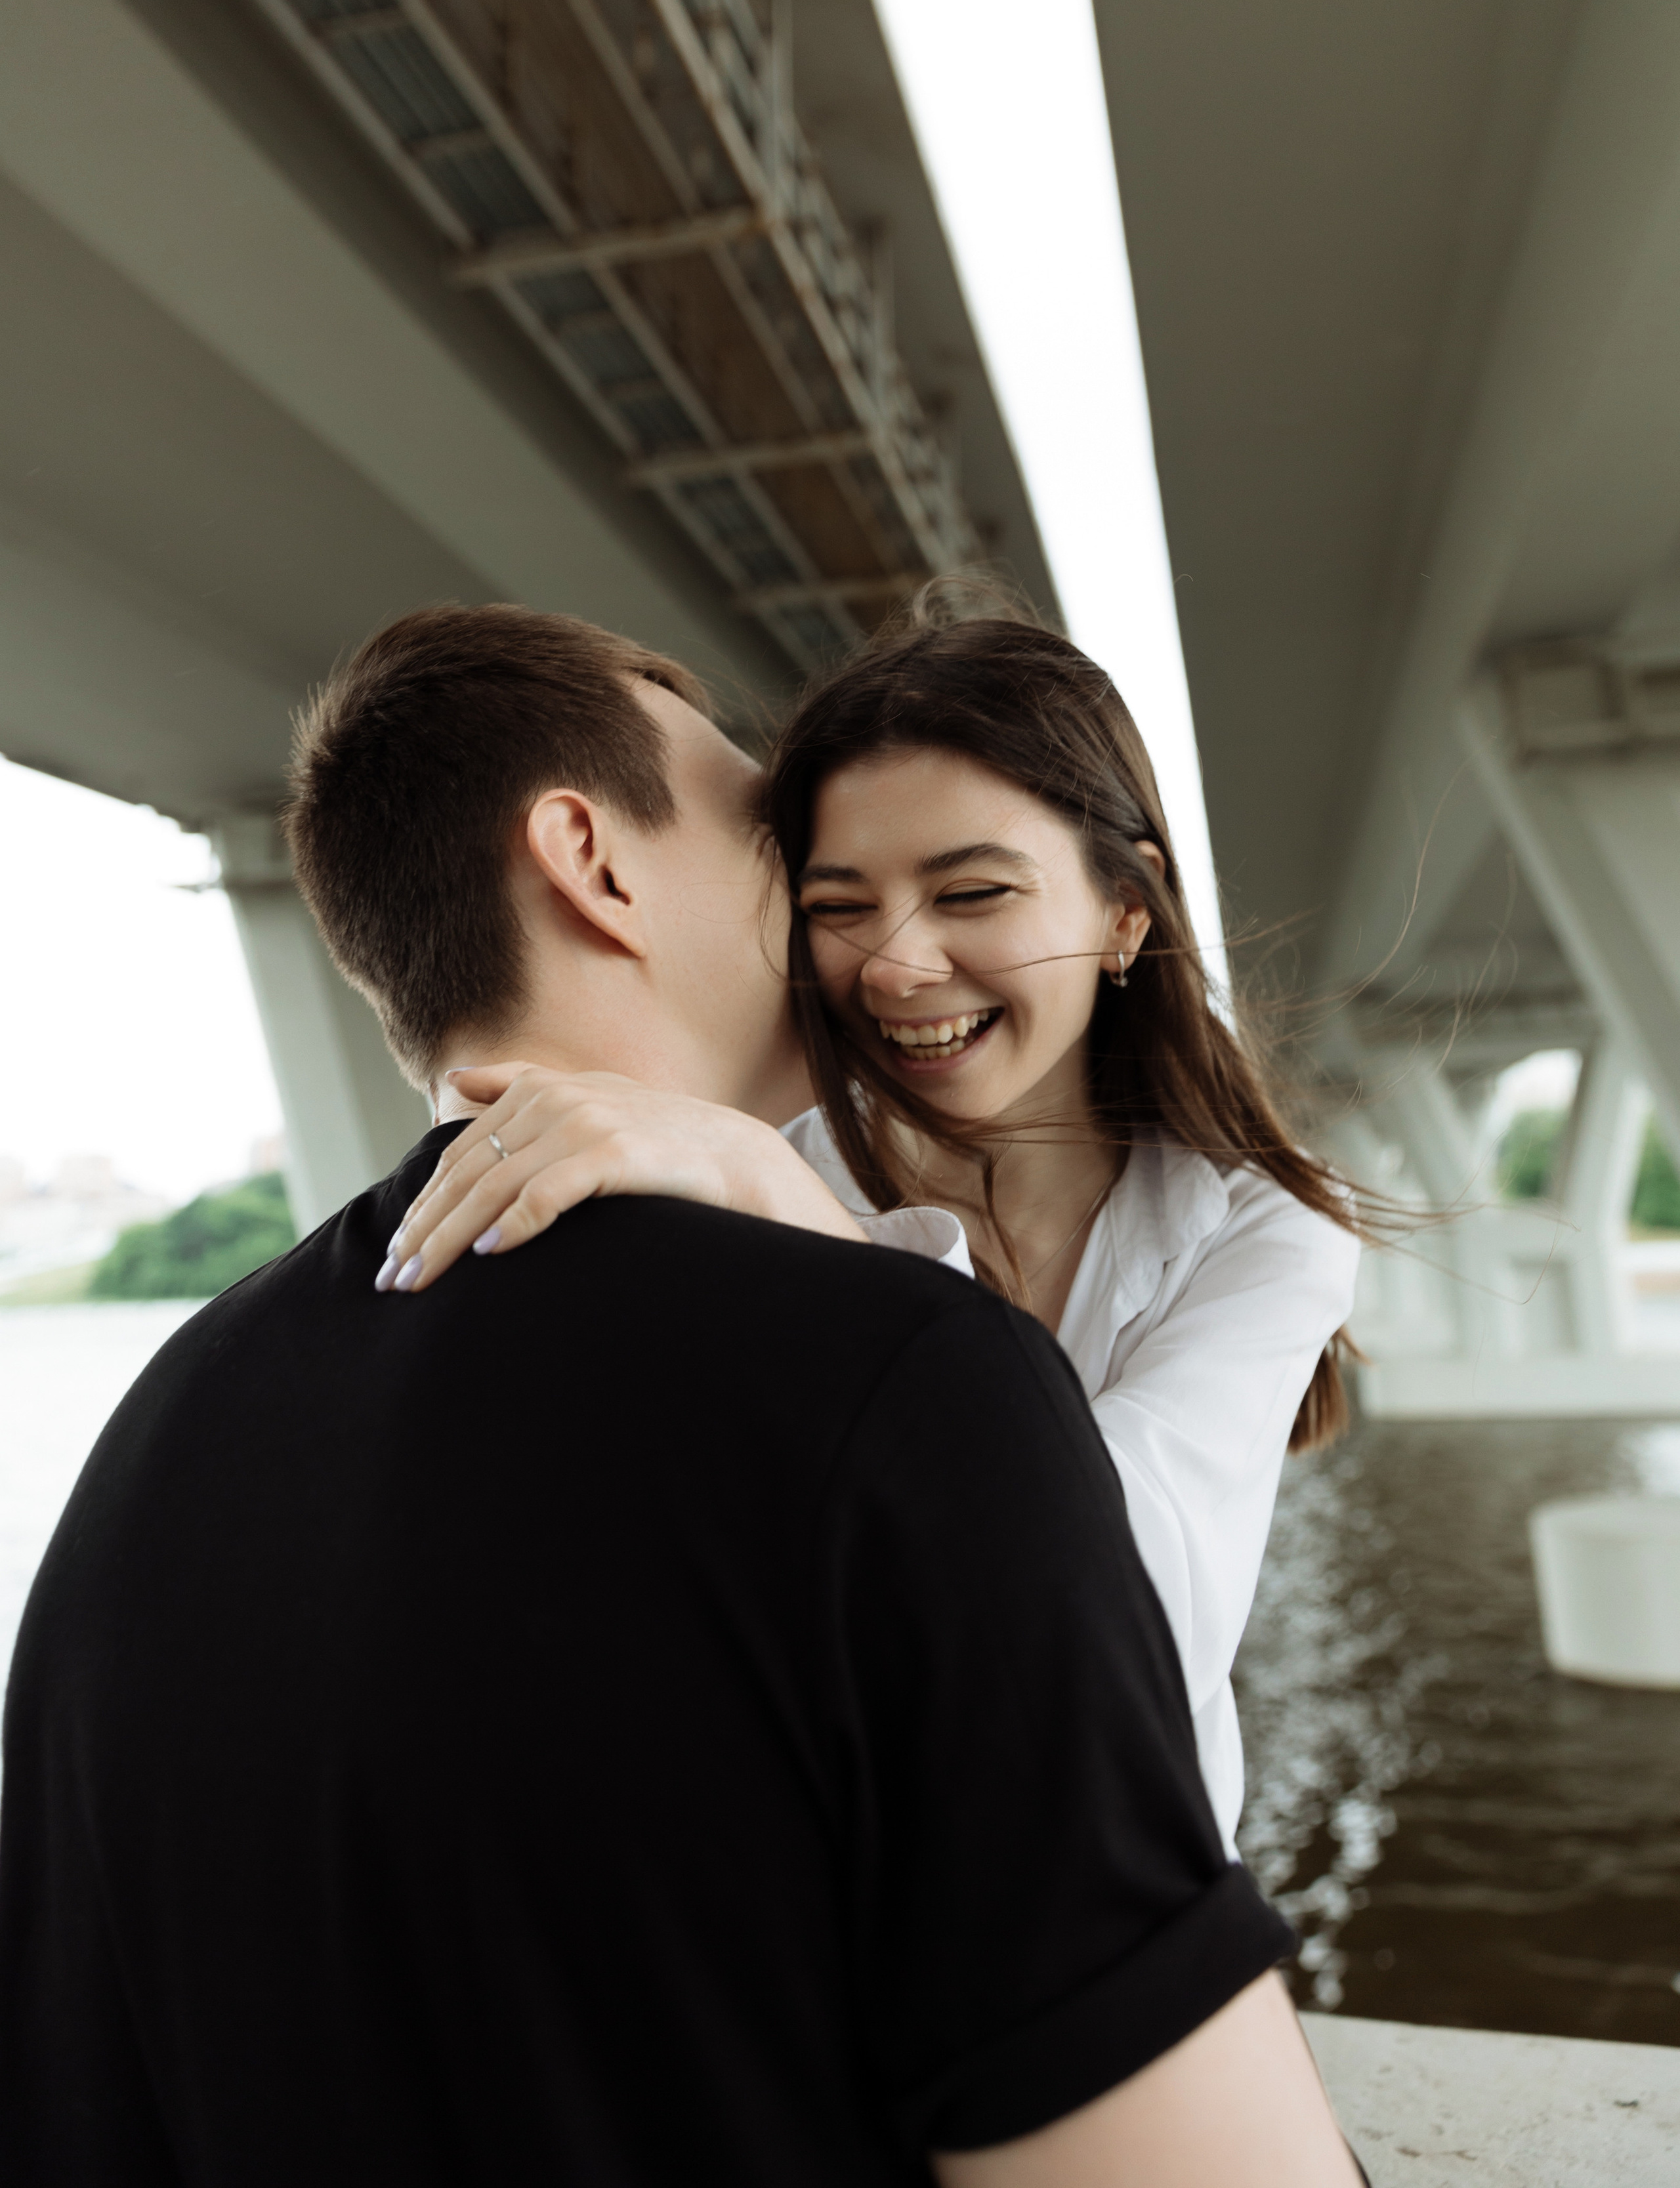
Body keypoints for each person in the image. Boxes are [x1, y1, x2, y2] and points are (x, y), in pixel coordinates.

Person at [0, 604, 1362, 2186]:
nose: (851, 945)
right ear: (590, 861)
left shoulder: (153, 1440)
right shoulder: (903, 1381)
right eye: (772, 841)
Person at [389, 600, 1364, 1850]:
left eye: (973, 892)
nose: (897, 967)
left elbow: (1127, 1624)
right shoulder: (718, 1180)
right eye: (839, 904)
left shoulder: (1263, 1232)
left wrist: (794, 1208)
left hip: (1126, 1909)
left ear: (1126, 910)